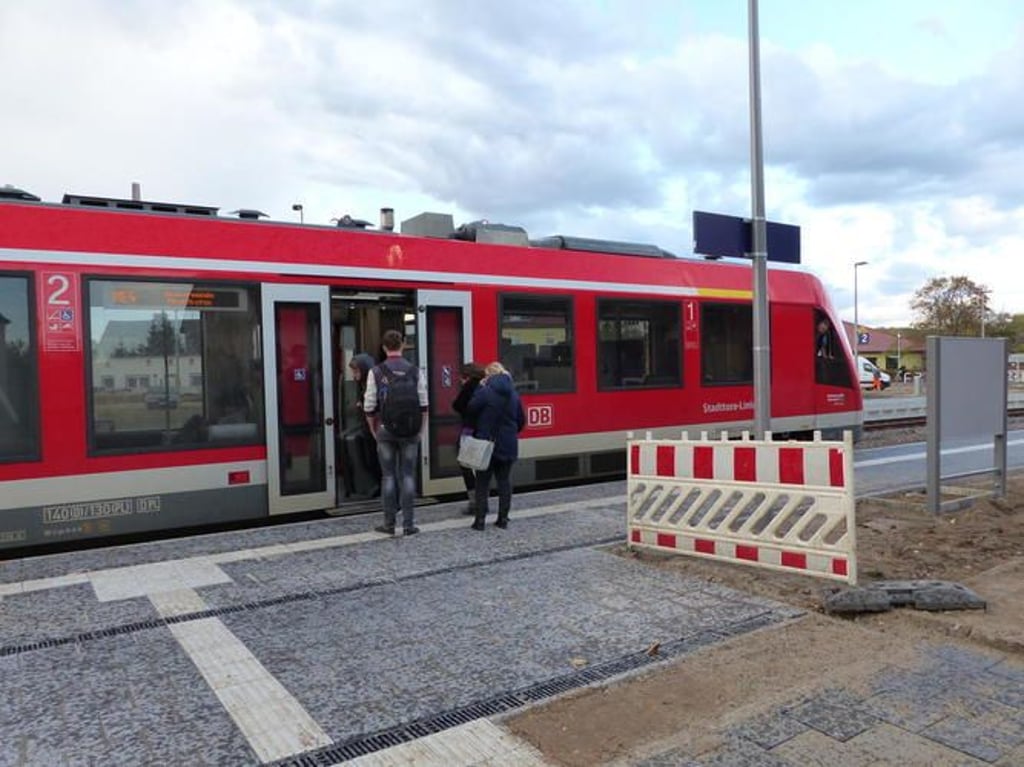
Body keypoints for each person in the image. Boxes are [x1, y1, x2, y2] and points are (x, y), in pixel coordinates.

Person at [363, 330, 428, 536]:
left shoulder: (376, 371)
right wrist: (420, 431)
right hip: (411, 430)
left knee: (388, 476)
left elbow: (369, 406)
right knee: (407, 475)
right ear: (404, 345)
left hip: (385, 430)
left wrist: (374, 430)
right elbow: (424, 405)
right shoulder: (416, 371)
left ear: (384, 347)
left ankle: (389, 524)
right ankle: (409, 525)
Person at [466, 361, 526, 531]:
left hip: (487, 443)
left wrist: (479, 388)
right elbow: (521, 421)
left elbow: (471, 409)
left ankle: (479, 522)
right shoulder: (514, 394)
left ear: (489, 376)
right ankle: (503, 519)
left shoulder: (485, 392)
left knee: (482, 483)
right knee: (504, 482)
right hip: (508, 443)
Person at [342, 353, 381, 498]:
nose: (354, 375)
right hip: (369, 428)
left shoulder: (373, 383)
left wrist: (362, 405)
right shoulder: (364, 384)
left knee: (374, 458)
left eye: (356, 371)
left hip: (374, 429)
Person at [451, 362, 485, 515]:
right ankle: (480, 500)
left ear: (467, 377)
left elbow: (457, 405)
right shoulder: (485, 386)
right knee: (481, 468)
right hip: (483, 432)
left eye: (462, 377)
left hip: (470, 432)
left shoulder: (470, 387)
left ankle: (475, 502)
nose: (459, 380)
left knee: (465, 464)